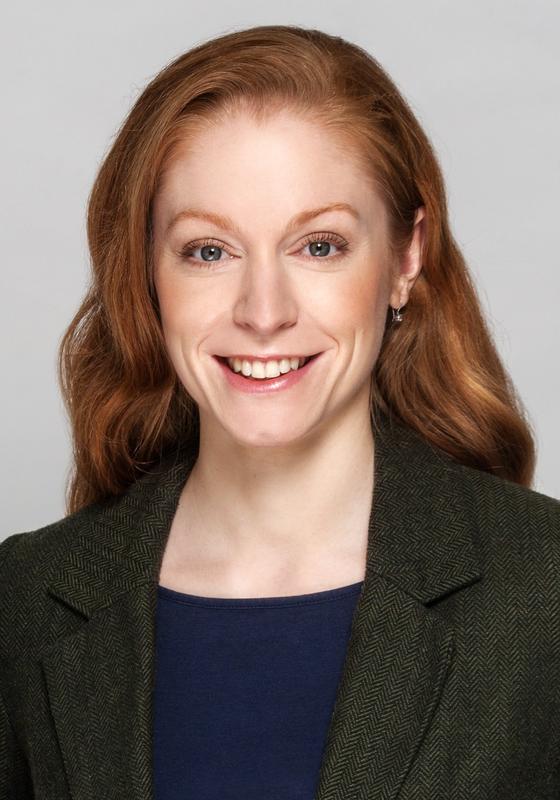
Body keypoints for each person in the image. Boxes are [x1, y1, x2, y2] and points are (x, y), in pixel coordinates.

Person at [1, 23, 559, 800]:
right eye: (208, 250)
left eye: (319, 246)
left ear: (406, 257)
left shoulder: (542, 589)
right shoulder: (25, 601)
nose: (263, 313)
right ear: (147, 273)